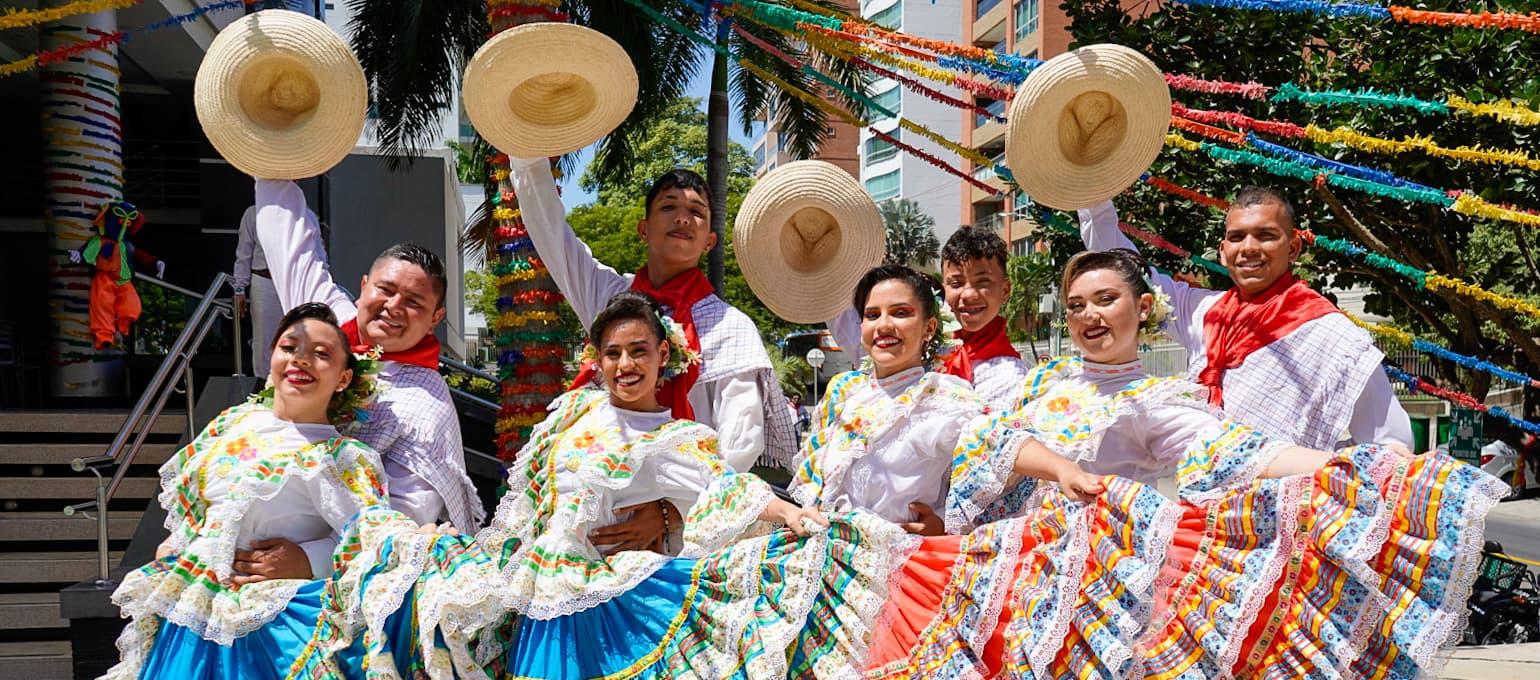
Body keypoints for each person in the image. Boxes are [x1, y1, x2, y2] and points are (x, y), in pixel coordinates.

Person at [848, 249, 1505, 679]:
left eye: (1105, 300)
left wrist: (1346, 463)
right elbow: (982, 457)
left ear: (1144, 310)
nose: (1088, 316)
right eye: (1076, 305)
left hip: (1087, 591)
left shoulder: (1153, 401)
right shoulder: (1033, 384)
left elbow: (1238, 454)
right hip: (993, 581)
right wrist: (944, 520)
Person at [391, 292, 838, 679]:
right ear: (597, 360)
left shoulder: (674, 438)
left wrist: (791, 513)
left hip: (609, 602)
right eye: (613, 353)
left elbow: (728, 489)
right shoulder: (571, 413)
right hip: (539, 589)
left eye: (639, 351)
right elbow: (529, 508)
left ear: (663, 355)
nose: (625, 365)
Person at [103, 304, 457, 679]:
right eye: (289, 348)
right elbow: (203, 509)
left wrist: (307, 559)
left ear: (343, 378)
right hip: (191, 616)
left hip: (276, 629)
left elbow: (367, 539)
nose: (301, 361)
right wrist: (181, 543)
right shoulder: (231, 424)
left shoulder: (343, 457)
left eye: (321, 355)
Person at [509, 158, 799, 549]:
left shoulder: (731, 327)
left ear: (710, 240)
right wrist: (527, 156)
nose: (682, 218)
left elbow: (739, 445)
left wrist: (671, 510)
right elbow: (552, 236)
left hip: (684, 528)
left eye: (696, 212)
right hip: (591, 519)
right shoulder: (610, 297)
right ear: (643, 229)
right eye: (668, 207)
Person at [1077, 187, 1414, 450]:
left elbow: (1390, 443)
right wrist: (1090, 191)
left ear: (1293, 248)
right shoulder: (1205, 311)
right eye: (1237, 237)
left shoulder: (1333, 335)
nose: (1249, 248)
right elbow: (1124, 269)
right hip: (1201, 515)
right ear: (1223, 251)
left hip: (1282, 523)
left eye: (1266, 235)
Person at [254, 180, 483, 538]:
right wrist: (268, 147)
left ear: (436, 319)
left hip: (336, 565)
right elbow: (288, 238)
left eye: (414, 302)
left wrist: (308, 558)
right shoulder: (324, 323)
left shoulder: (427, 406)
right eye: (385, 290)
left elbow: (403, 519)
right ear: (363, 287)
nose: (393, 307)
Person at [829, 226, 1027, 411]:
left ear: (1005, 290)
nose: (968, 295)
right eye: (956, 283)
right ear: (944, 287)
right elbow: (856, 333)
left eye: (983, 282)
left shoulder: (1008, 371)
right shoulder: (919, 342)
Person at [234, 204, 315, 373]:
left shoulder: (305, 214)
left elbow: (317, 254)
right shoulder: (253, 213)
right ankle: (264, 388)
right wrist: (239, 288)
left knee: (299, 336)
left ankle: (293, 384)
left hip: (295, 282)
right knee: (263, 341)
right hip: (264, 279)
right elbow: (244, 251)